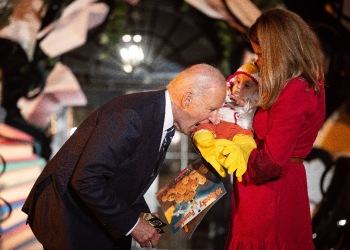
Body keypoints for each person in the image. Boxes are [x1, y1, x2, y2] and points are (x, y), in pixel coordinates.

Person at [21, 63, 227, 250]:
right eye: (212, 109)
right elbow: (87, 180)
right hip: (67, 212)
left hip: (89, 210)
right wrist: (133, 224)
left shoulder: (162, 118)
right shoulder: (133, 115)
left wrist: (149, 222)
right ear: (187, 98)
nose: (215, 118)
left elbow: (124, 181)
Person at [196, 8, 325, 249]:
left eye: (262, 54)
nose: (258, 62)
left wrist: (227, 141)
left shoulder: (296, 89)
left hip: (272, 192)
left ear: (281, 51)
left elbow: (271, 163)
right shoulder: (293, 84)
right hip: (263, 188)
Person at [191, 61, 259, 181]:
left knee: (246, 139)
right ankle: (209, 146)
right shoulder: (225, 96)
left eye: (246, 85)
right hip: (215, 126)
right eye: (238, 81)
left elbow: (252, 113)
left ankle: (241, 154)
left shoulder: (252, 106)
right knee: (202, 130)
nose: (239, 86)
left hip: (236, 132)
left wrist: (244, 104)